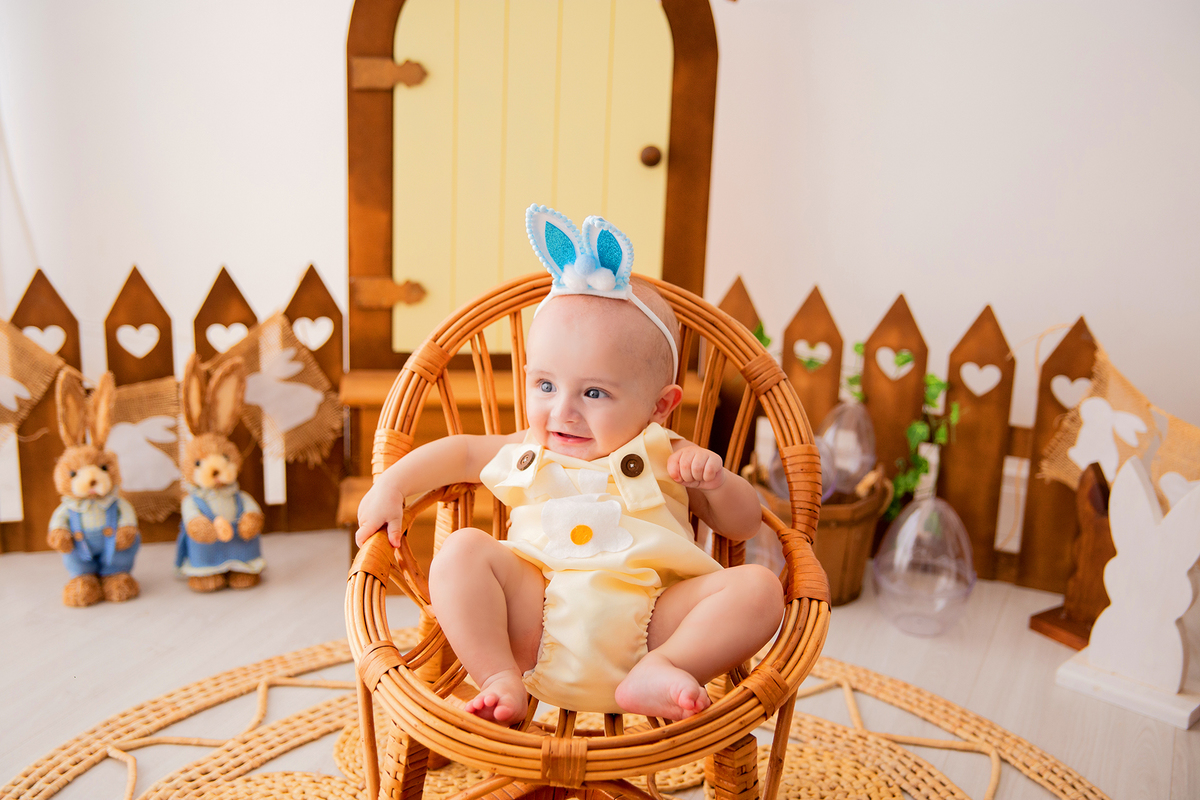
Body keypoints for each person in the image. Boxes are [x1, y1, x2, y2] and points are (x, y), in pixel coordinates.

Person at [356, 205, 784, 725]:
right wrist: (392, 484)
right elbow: (461, 452)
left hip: (656, 625)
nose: (563, 411)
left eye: (595, 392)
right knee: (461, 552)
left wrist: (716, 480)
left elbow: (742, 524)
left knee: (760, 588)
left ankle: (665, 670)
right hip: (533, 622)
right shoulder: (531, 448)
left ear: (659, 405)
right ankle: (496, 676)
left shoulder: (667, 452)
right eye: (545, 385)